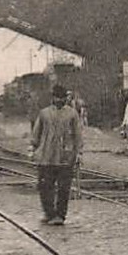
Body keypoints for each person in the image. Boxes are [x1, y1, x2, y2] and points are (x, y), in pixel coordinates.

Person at [30, 83, 84, 224]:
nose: (60, 100)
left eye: (62, 98)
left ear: (66, 98)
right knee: (45, 186)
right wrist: (33, 148)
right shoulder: (44, 113)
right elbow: (36, 134)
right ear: (53, 98)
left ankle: (60, 215)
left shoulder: (72, 114)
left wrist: (78, 152)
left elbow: (78, 135)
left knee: (63, 188)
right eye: (57, 98)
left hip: (65, 157)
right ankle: (49, 213)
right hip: (46, 156)